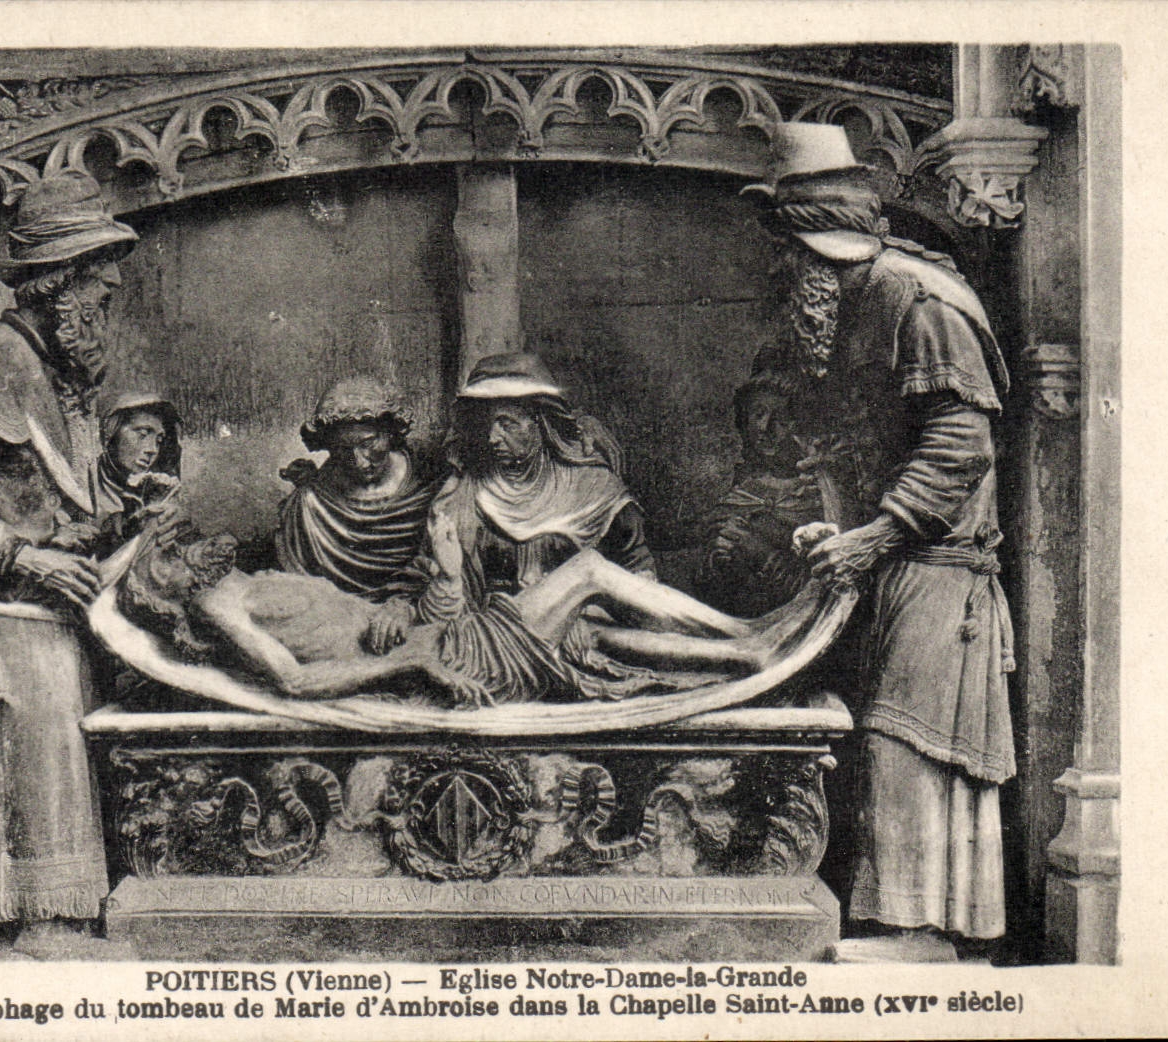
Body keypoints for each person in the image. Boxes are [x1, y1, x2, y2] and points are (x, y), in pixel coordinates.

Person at [748, 123, 1016, 945]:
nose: (778, 271)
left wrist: (875, 535)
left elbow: (959, 445)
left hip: (938, 568)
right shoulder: (857, 300)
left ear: (812, 244)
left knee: (907, 744)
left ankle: (922, 931)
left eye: (784, 251)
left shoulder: (918, 300)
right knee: (876, 739)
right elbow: (869, 441)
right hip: (895, 559)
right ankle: (899, 921)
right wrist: (842, 525)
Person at [0, 173, 153, 945]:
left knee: (63, 773)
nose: (109, 290)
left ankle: (62, 923)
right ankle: (36, 931)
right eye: (97, 279)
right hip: (10, 620)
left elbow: (62, 495)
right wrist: (30, 560)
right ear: (59, 282)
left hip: (62, 614)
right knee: (37, 775)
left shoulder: (56, 367)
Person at [119, 516, 798, 710]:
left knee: (588, 634)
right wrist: (410, 665)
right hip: (449, 659)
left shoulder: (242, 579)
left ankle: (744, 653)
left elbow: (347, 618)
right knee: (588, 573)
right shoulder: (221, 609)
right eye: (164, 557)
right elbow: (295, 682)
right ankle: (744, 631)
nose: (180, 545)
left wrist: (397, 607)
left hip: (438, 638)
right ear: (167, 591)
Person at [370, 353, 652, 658]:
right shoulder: (460, 494)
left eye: (507, 424)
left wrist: (583, 614)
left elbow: (640, 581)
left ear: (540, 422)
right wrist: (400, 607)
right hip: (491, 643)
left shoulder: (595, 489)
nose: (493, 438)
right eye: (487, 425)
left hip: (583, 640)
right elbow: (428, 571)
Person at [274, 375, 435, 600]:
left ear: (390, 432)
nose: (359, 462)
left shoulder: (427, 487)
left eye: (368, 443)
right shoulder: (311, 505)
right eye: (343, 449)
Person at [704, 369, 829, 617]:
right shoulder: (740, 493)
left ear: (801, 426)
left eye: (781, 419)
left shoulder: (821, 497)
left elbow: (827, 591)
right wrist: (718, 559)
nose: (765, 427)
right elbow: (706, 587)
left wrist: (761, 554)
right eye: (758, 415)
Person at [96, 391, 183, 549]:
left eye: (158, 440)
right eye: (142, 435)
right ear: (111, 432)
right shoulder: (87, 485)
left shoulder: (154, 489)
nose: (152, 450)